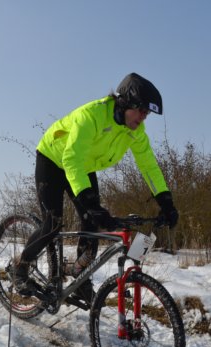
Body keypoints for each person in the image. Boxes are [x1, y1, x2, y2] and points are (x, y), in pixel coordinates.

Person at [11, 72, 179, 308]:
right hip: (54, 159)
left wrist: (166, 201)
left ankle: (81, 276)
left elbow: (149, 166)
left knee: (91, 223)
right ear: (126, 103)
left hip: (83, 166)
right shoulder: (91, 115)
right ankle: (20, 267)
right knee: (53, 223)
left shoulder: (135, 132)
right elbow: (72, 158)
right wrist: (88, 202)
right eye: (141, 110)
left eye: (147, 114)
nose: (144, 117)